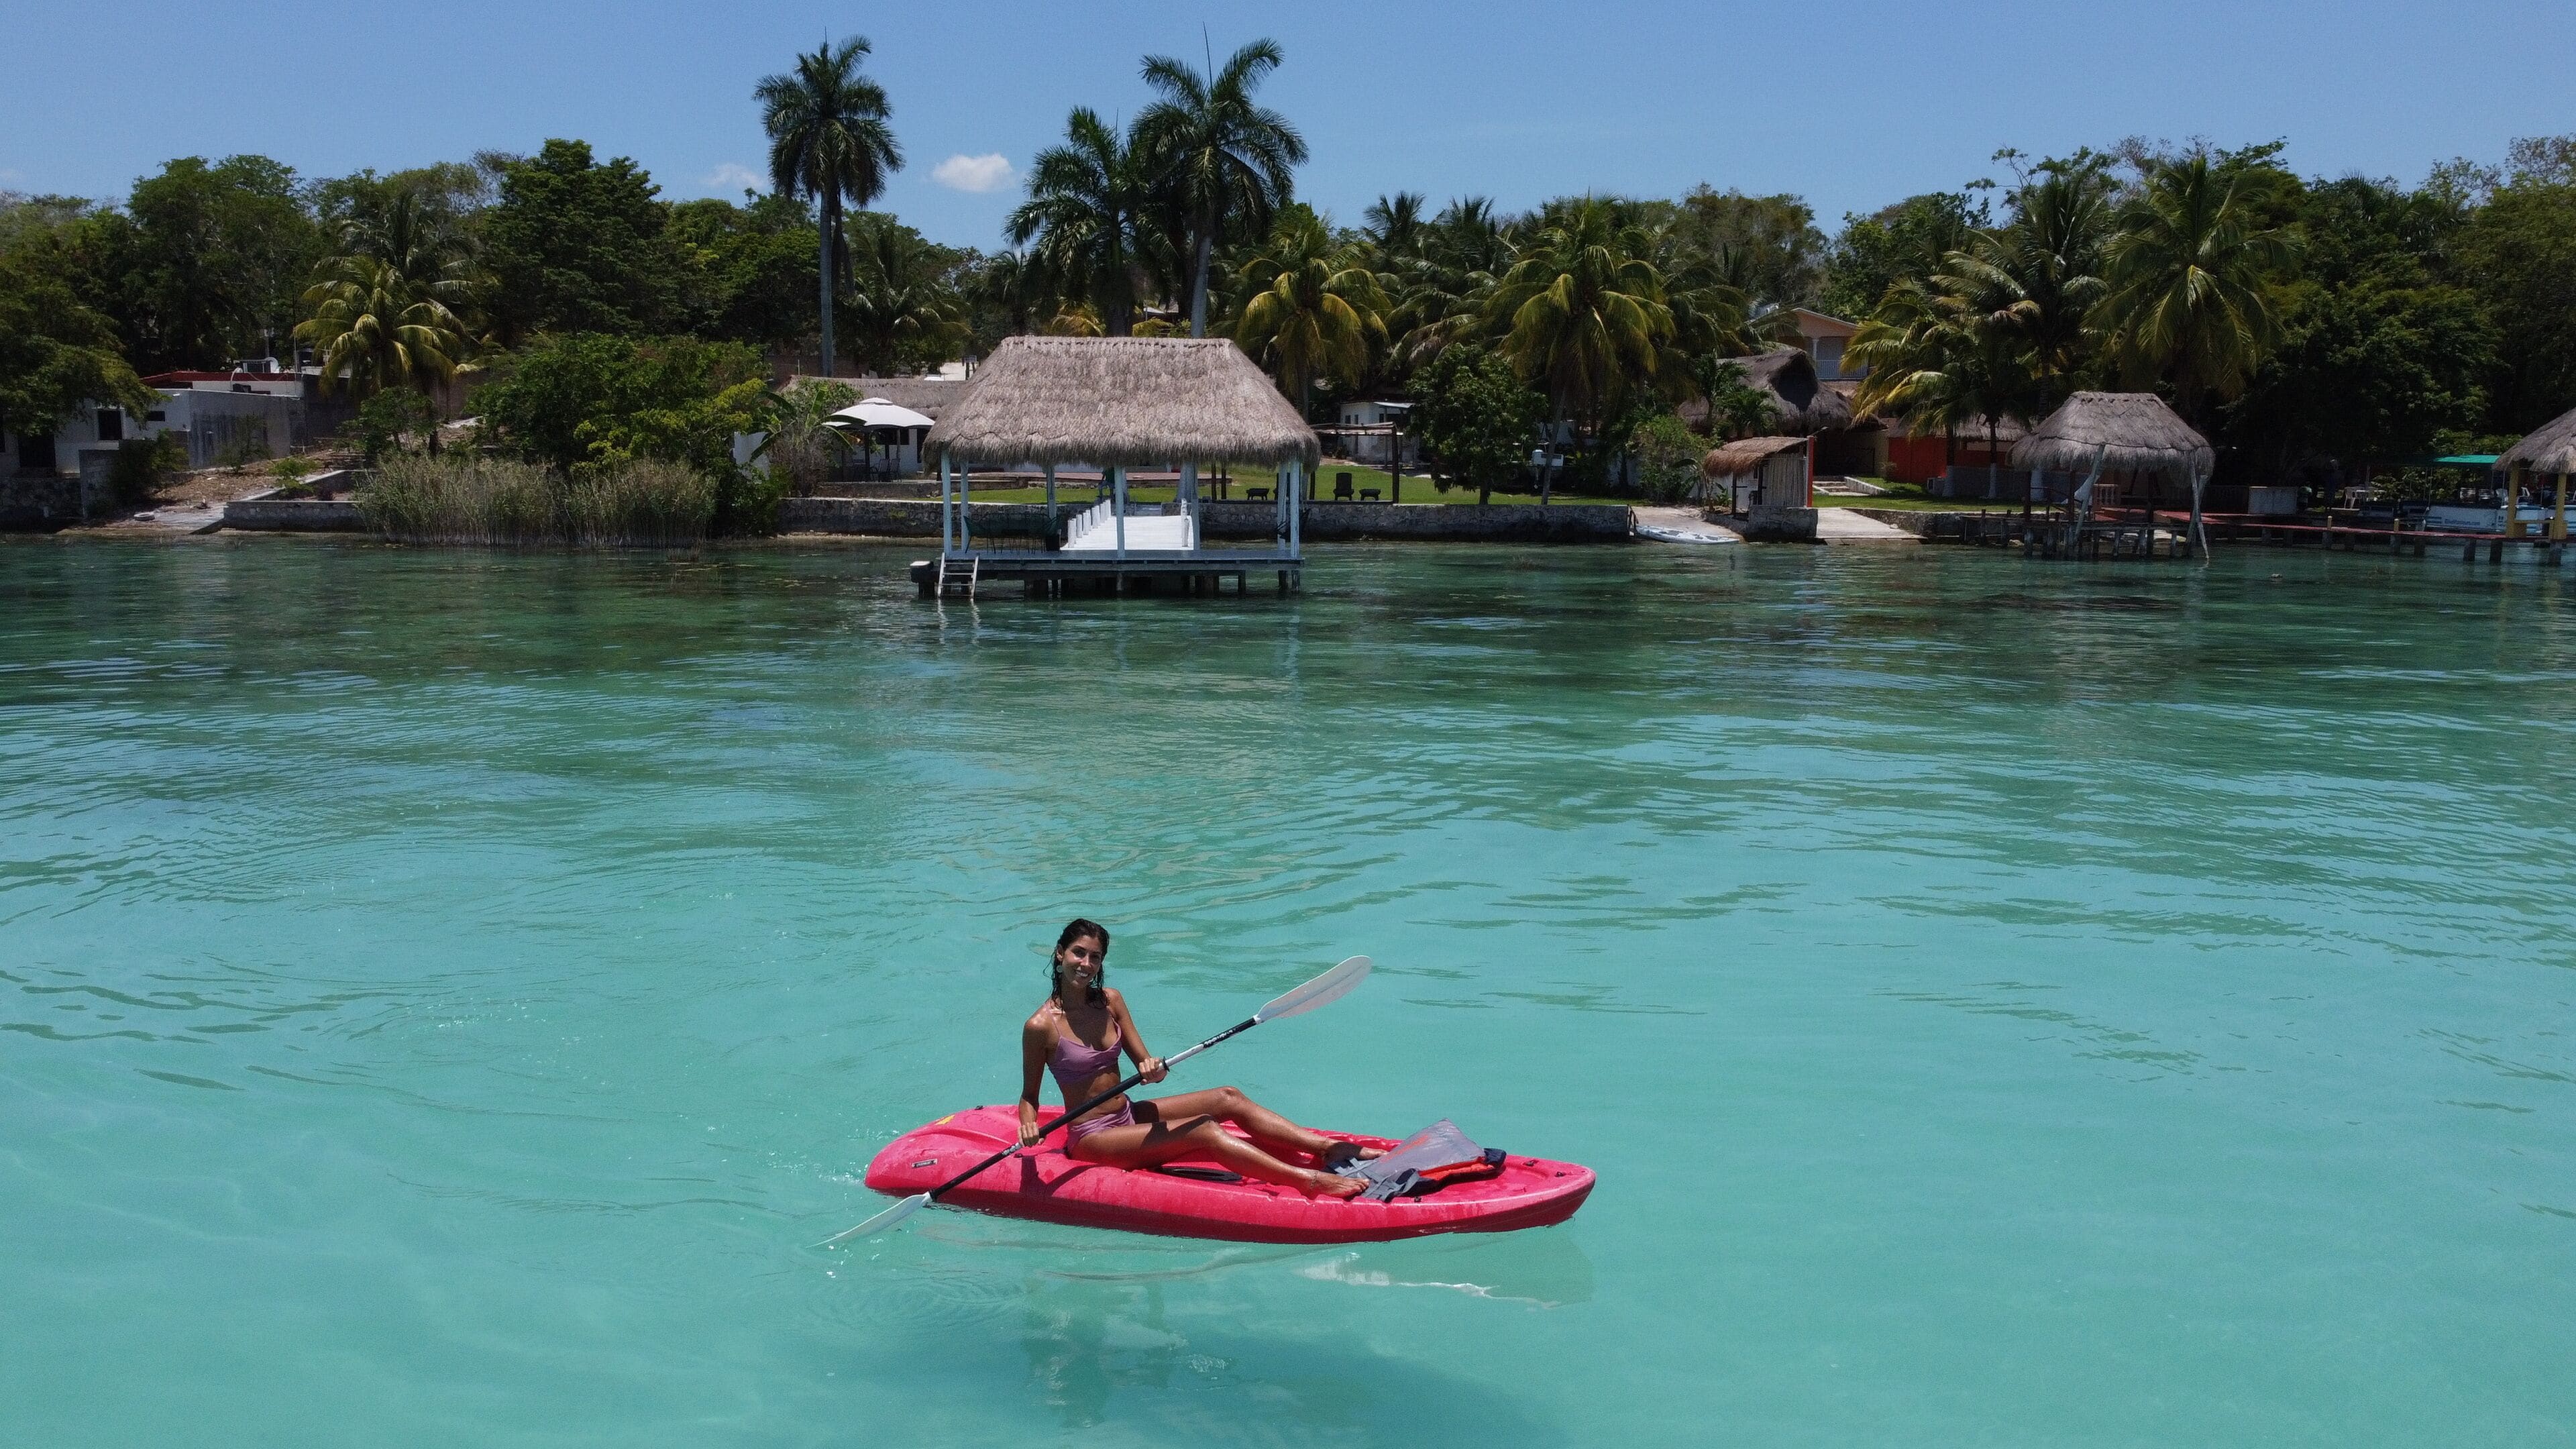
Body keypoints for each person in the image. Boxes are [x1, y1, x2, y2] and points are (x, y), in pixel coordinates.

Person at [1020, 918, 1375, 1197]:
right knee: (1204, 1129)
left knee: (1228, 1097)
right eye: (1079, 953)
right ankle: (1308, 1181)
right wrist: (1028, 1126)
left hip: (1127, 1113)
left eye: (1095, 957)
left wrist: (1152, 1068)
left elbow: (1148, 1068)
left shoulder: (1111, 1001)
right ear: (1059, 954)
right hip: (1093, 1138)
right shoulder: (1040, 1026)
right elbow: (1029, 1097)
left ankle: (1328, 1149)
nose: (1086, 964)